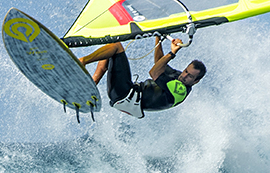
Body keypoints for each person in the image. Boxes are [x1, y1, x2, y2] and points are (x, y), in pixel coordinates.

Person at [75, 36, 206, 118]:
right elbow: (159, 63)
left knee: (116, 46)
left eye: (189, 76)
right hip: (127, 97)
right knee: (110, 51)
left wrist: (172, 53)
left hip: (126, 95)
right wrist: (158, 38)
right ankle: (92, 85)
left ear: (196, 81)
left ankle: (83, 61)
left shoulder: (180, 90)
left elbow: (154, 72)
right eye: (185, 71)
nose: (184, 76)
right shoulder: (177, 76)